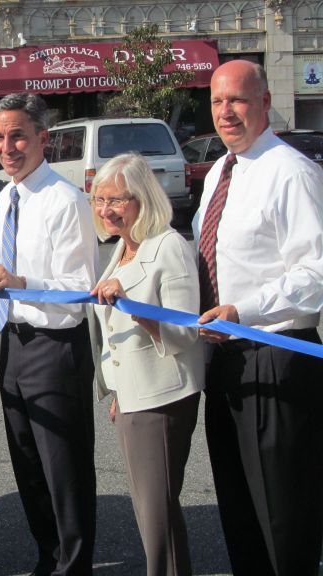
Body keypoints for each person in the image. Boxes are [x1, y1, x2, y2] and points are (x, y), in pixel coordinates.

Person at [195, 59, 323, 576]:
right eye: (218, 102)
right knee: (240, 507)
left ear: (265, 102)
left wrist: (243, 310)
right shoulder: (221, 172)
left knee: (283, 514)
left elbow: (316, 270)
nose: (226, 112)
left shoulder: (291, 172)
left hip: (275, 355)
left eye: (238, 100)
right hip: (224, 359)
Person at [0, 92, 98, 576]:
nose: (7, 146)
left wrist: (20, 282)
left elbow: (79, 289)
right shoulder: (8, 194)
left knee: (63, 469)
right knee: (28, 463)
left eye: (18, 135)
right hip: (13, 342)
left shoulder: (66, 200)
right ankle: (49, 557)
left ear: (43, 138)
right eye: (0, 137)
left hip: (55, 346)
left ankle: (74, 564)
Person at [88, 154, 204, 576]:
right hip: (131, 398)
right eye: (99, 200)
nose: (105, 210)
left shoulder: (168, 246)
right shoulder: (122, 246)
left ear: (143, 198)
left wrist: (136, 307)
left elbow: (184, 331)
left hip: (162, 398)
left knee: (156, 515)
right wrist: (116, 389)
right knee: (150, 512)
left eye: (116, 200)